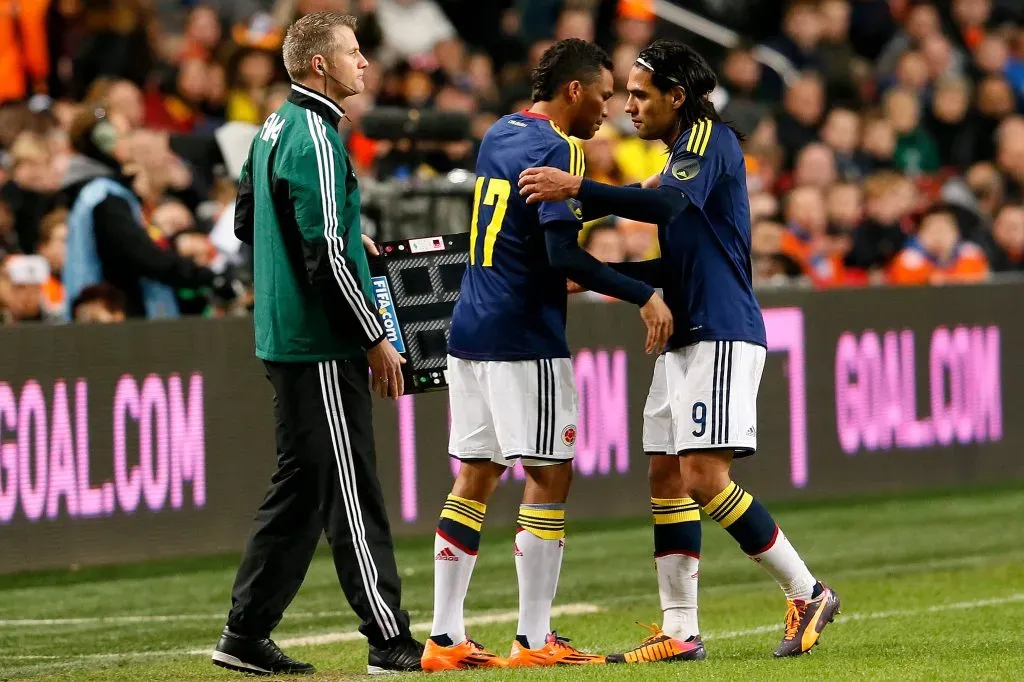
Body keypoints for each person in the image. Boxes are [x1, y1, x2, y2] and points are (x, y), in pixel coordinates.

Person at [518, 39, 841, 662]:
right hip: (686, 334)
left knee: (702, 476)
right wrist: (604, 278)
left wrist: (578, 188)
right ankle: (679, 629)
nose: (629, 107)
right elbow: (679, 257)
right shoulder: (677, 159)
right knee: (666, 474)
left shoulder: (707, 141)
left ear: (678, 97)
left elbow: (665, 204)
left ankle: (808, 589)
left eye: (640, 95)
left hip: (721, 330)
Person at [420, 38, 673, 671]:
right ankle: (534, 639)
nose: (609, 107)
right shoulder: (561, 148)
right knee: (548, 473)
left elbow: (528, 237)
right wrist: (642, 293)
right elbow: (561, 256)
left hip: (470, 327)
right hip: (523, 335)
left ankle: (445, 638)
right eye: (605, 94)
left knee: (476, 473)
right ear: (574, 91)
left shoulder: (500, 132)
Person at [212, 12, 421, 676]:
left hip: (283, 337)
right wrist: (375, 337)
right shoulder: (316, 135)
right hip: (319, 344)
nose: (365, 62)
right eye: (353, 52)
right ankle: (389, 639)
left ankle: (245, 633)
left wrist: (339, 230)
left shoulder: (272, 127)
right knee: (352, 491)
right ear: (318, 65)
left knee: (302, 489)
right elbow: (325, 259)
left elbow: (249, 220)